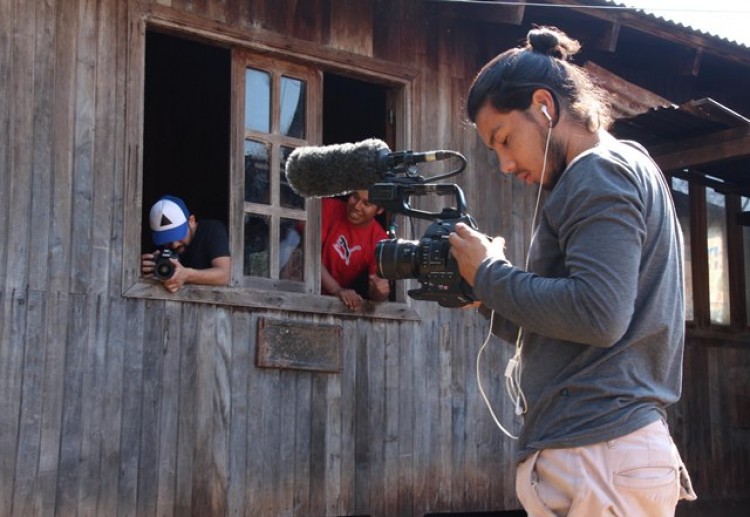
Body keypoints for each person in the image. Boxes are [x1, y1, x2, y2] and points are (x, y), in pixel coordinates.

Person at [448, 26, 696, 516]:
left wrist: (492, 273)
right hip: (601, 456)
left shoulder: (598, 170)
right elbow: (574, 327)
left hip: (599, 454)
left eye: (504, 139)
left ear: (544, 105)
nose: (504, 164)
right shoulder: (622, 165)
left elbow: (598, 315)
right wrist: (485, 294)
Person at [141, 195, 230, 292]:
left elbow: (225, 275)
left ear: (191, 221)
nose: (174, 245)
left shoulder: (212, 230)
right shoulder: (159, 249)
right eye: (167, 240)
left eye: (179, 236)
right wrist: (144, 272)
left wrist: (187, 275)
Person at [321, 190, 390, 310]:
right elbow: (309, 254)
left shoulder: (380, 241)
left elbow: (376, 293)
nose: (356, 206)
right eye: (355, 196)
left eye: (366, 204)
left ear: (379, 210)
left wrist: (380, 292)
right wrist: (336, 289)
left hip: (331, 304)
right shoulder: (329, 207)